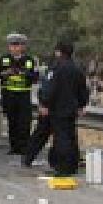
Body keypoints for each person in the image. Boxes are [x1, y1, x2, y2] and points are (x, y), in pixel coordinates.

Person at [38, 41, 89, 176]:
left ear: (58, 52)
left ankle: (62, 168)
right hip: (72, 109)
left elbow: (49, 88)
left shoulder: (55, 68)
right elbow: (83, 89)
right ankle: (72, 165)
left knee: (61, 139)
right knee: (71, 137)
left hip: (58, 109)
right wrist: (82, 105)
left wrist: (44, 103)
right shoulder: (77, 69)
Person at [0, 33, 38, 155]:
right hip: (8, 94)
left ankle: (24, 148)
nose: (15, 48)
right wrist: (5, 73)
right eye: (12, 45)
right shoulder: (3, 59)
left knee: (24, 122)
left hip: (23, 95)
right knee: (12, 121)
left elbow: (35, 77)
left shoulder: (29, 60)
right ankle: (14, 147)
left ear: (23, 47)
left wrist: (24, 73)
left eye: (18, 45)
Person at [22, 59, 55, 167]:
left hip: (50, 108)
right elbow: (44, 90)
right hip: (51, 109)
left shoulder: (52, 71)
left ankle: (28, 158)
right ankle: (28, 158)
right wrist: (43, 104)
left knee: (41, 134)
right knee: (42, 134)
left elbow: (42, 90)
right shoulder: (53, 71)